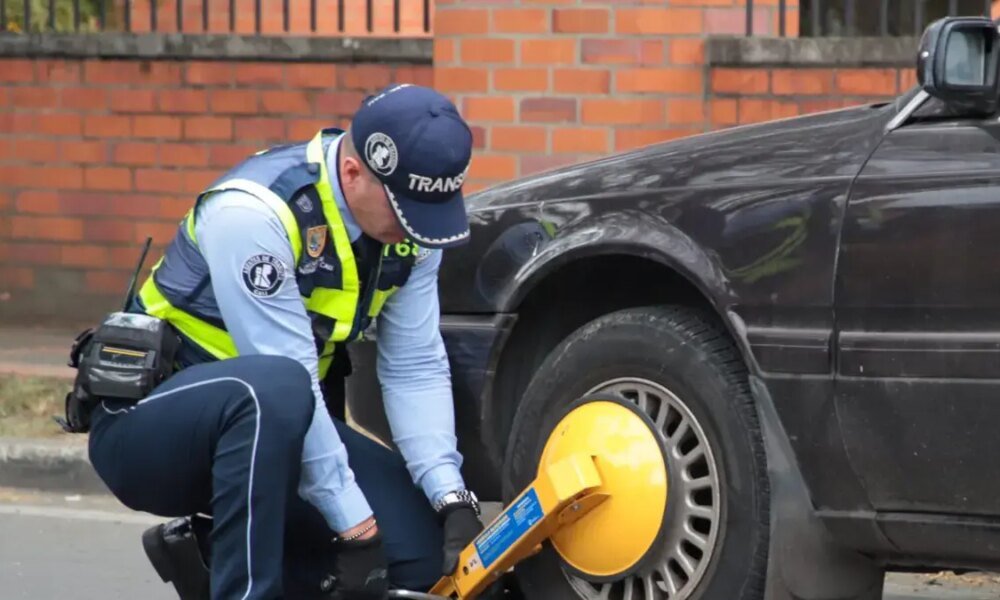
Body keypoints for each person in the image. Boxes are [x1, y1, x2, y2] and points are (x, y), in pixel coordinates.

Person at [84, 83, 488, 599]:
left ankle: (216, 560)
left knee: (417, 558)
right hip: (150, 430)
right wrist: (355, 529)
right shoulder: (254, 213)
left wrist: (449, 496)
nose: (417, 228)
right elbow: (287, 374)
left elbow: (415, 366)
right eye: (404, 209)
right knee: (274, 389)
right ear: (353, 173)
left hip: (279, 428)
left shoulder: (410, 229)